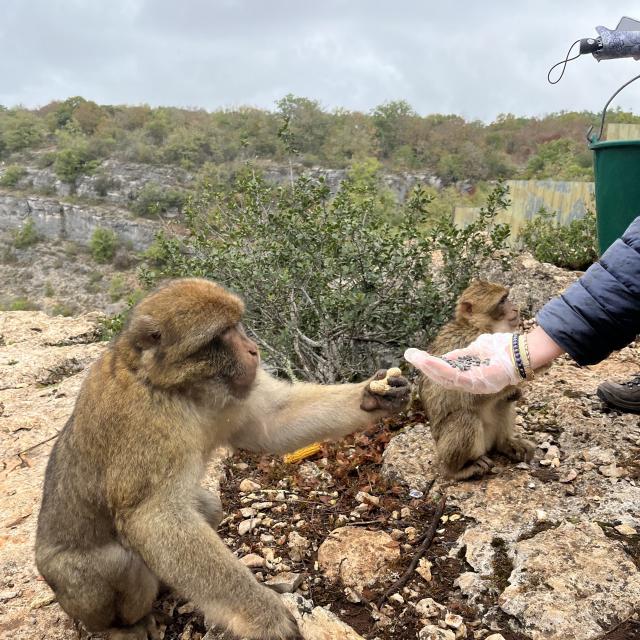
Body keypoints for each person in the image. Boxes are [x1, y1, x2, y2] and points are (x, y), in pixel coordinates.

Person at [405, 216, 640, 413]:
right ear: (469, 311)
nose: (513, 309)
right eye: (502, 303)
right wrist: (521, 357)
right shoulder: (462, 339)